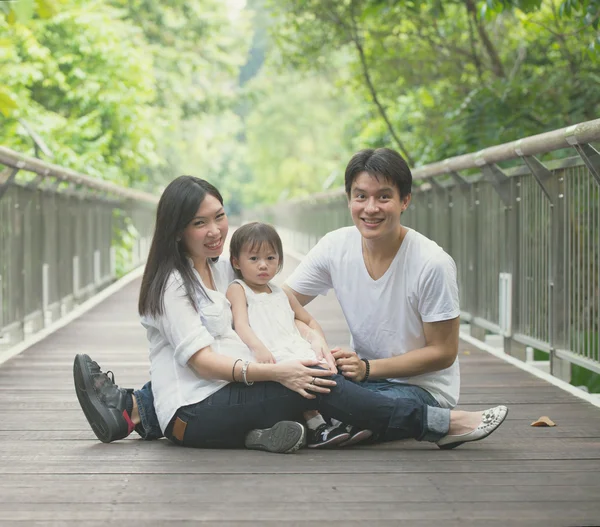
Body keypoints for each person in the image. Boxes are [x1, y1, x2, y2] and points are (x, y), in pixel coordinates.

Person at [73, 172, 508, 452]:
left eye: (220, 217)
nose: (215, 231)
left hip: (224, 401)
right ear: (177, 230)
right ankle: (441, 424)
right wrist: (282, 372)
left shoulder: (224, 269)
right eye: (199, 223)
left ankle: (256, 436)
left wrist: (313, 337)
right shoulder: (172, 285)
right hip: (191, 416)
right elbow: (203, 363)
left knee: (311, 374)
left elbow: (281, 301)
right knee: (315, 384)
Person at [284, 147, 466, 428]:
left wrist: (368, 368)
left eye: (384, 197)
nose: (370, 208)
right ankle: (348, 426)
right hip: (361, 384)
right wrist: (313, 337)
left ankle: (424, 422)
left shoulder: (432, 263)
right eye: (361, 197)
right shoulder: (336, 247)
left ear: (404, 200)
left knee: (334, 406)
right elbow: (280, 302)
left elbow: (443, 351)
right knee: (297, 388)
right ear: (349, 200)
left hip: (420, 389)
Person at [226, 221, 372, 448]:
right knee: (307, 378)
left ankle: (340, 419)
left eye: (271, 258)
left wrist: (318, 341)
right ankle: (317, 427)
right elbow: (241, 324)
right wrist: (258, 348)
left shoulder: (281, 292)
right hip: (270, 353)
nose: (263, 265)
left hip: (293, 345)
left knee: (329, 369)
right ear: (237, 262)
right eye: (254, 259)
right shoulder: (239, 289)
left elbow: (308, 319)